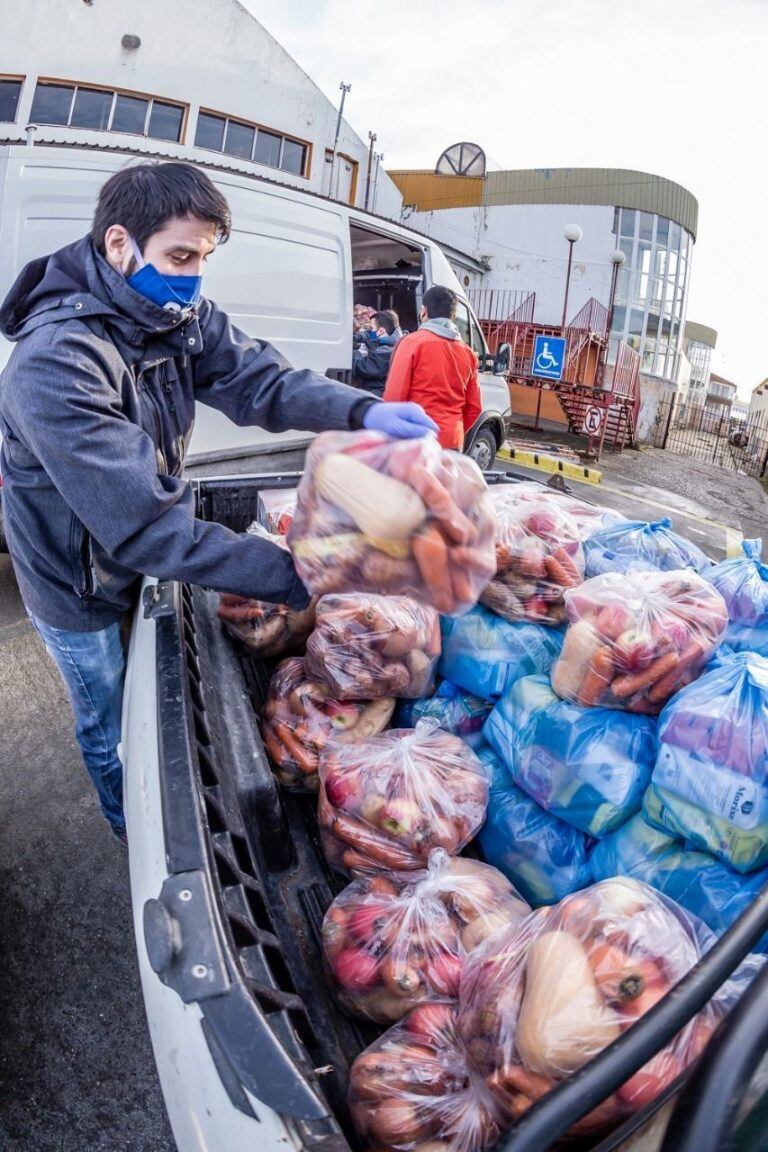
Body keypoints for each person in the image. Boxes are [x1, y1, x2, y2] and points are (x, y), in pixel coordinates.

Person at [0, 161, 437, 846]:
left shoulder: (171, 314)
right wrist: (305, 576)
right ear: (120, 244)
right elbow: (148, 529)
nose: (192, 277)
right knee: (108, 715)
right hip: (72, 582)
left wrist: (363, 411)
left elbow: (259, 381)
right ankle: (131, 829)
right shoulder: (58, 363)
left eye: (202, 258)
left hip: (127, 554)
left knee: (144, 703)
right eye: (178, 255)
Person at [383, 285, 482, 450]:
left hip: (415, 438)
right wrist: (452, 429)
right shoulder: (469, 354)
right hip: (452, 439)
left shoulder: (412, 343)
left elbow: (395, 395)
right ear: (454, 316)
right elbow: (475, 407)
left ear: (424, 311)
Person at [352, 309, 403, 397]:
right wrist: (359, 336)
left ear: (380, 331)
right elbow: (369, 336)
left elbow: (363, 368)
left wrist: (352, 353)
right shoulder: (389, 341)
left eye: (371, 328)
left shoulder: (387, 351)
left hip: (377, 395)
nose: (369, 331)